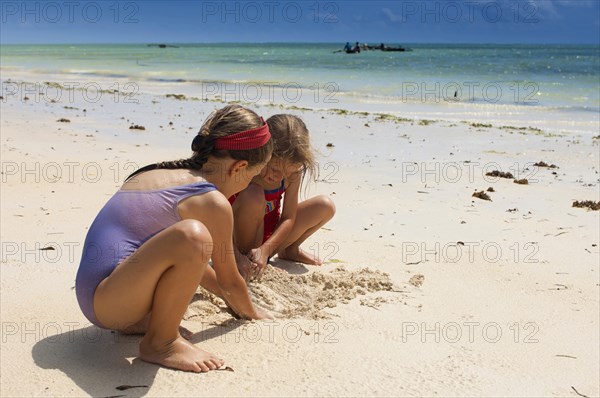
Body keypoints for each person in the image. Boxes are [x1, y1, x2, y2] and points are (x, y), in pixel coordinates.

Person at [75, 104, 273, 373]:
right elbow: (228, 279)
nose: (248, 185)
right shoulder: (211, 202)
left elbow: (191, 266)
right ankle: (161, 343)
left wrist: (232, 301)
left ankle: (146, 322)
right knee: (194, 236)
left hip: (97, 295)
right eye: (251, 177)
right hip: (109, 303)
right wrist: (253, 313)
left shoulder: (161, 172)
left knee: (191, 243)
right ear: (239, 167)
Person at [230, 114, 336, 280]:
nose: (279, 177)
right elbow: (220, 215)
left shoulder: (293, 174)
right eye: (273, 169)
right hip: (240, 239)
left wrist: (266, 250)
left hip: (270, 240)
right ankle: (249, 259)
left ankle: (289, 250)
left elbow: (288, 218)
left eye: (288, 172)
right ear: (263, 152)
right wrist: (234, 253)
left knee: (325, 205)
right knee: (254, 194)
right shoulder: (245, 169)